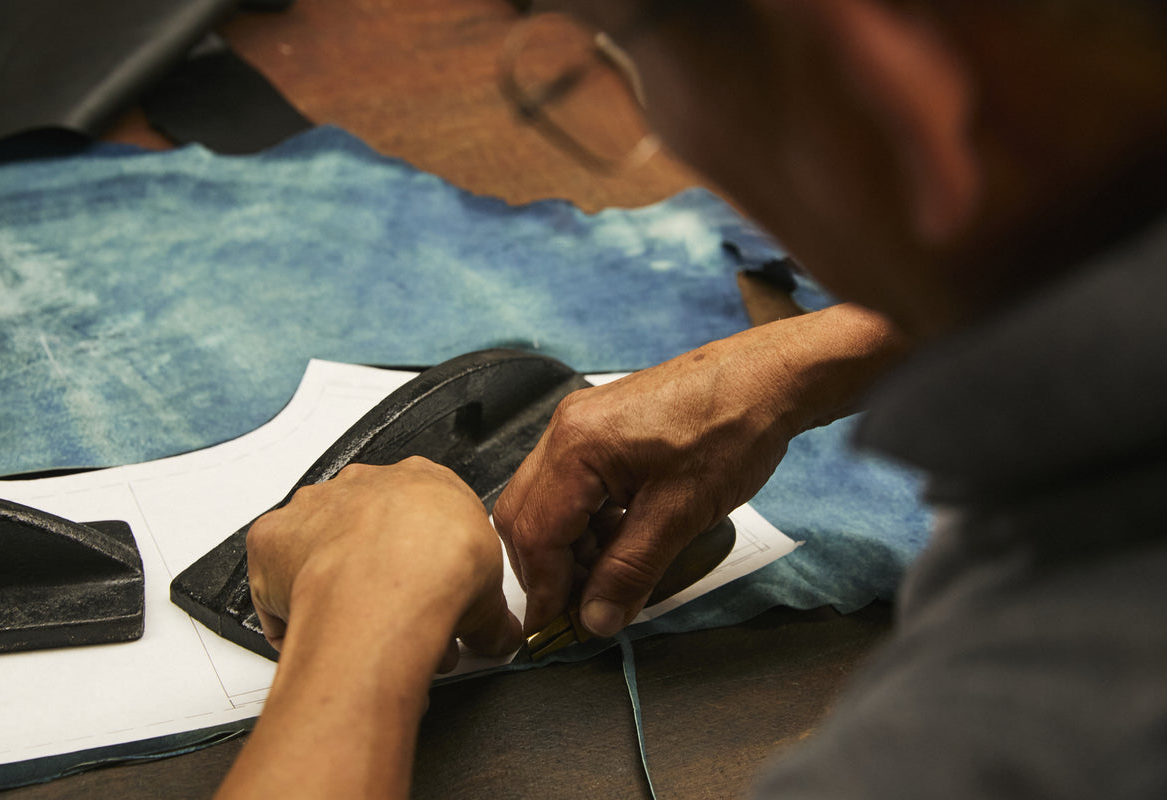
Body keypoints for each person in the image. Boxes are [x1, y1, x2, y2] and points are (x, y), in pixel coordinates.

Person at [216, 1, 1167, 797]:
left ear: (883, 90)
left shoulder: (1000, 748)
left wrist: (361, 621)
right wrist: (823, 354)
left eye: (628, 62)